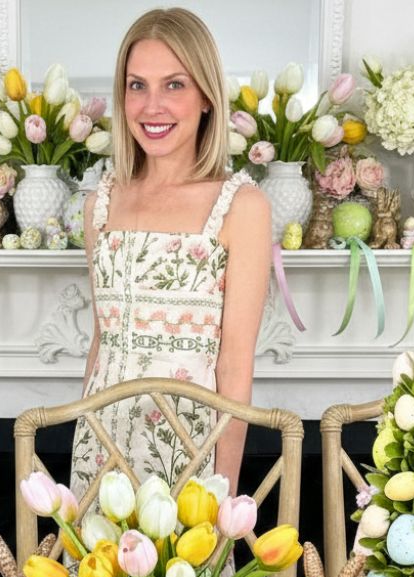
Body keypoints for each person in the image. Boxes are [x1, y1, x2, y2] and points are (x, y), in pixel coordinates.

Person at [70, 6, 271, 499]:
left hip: (190, 454)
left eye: (174, 85)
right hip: (100, 452)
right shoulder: (101, 203)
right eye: (137, 85)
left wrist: (222, 491)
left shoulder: (240, 206)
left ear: (206, 96)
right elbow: (102, 343)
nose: (151, 105)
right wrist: (83, 458)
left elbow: (234, 364)